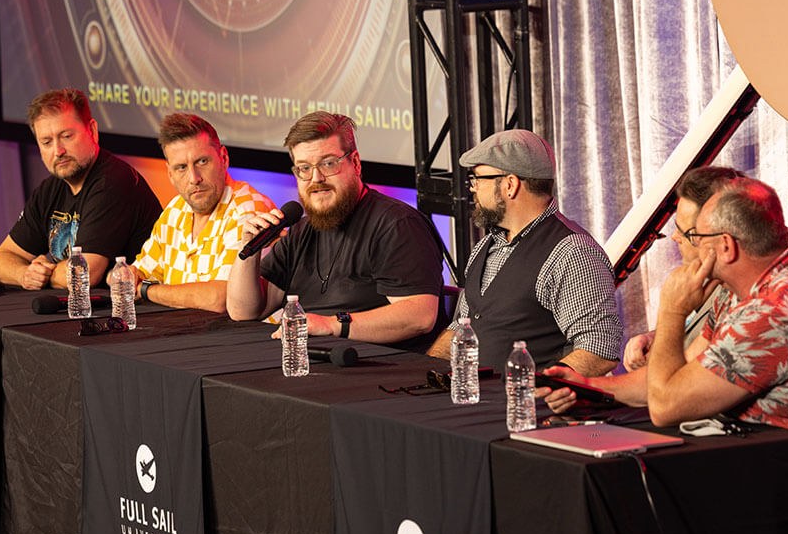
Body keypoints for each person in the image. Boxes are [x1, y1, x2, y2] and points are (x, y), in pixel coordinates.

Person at [544, 174, 788, 529]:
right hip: (767, 475)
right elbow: (681, 376)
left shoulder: (779, 309)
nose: (681, 241)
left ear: (725, 246)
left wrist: (672, 311)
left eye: (694, 235)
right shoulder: (740, 290)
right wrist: (589, 386)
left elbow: (666, 406)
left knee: (633, 510)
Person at [226, 111, 444, 352]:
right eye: (304, 168)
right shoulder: (301, 230)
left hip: (379, 370)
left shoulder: (397, 224)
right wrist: (249, 249)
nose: (316, 178)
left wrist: (331, 325)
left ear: (356, 163)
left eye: (328, 163)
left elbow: (419, 317)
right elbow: (243, 311)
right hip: (311, 361)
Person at [427, 129, 622, 375]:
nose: (473, 189)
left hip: (526, 408)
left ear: (510, 185)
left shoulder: (572, 252)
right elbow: (462, 326)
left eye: (477, 179)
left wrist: (541, 391)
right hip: (473, 402)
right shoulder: (485, 246)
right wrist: (428, 370)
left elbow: (599, 348)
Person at [0, 88, 161, 290]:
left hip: (129, 313)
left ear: (92, 131)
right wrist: (25, 274)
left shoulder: (114, 182)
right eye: (46, 142)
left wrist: (44, 274)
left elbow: (86, 274)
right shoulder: (49, 189)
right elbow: (1, 259)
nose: (58, 151)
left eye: (66, 136)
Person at [123, 114, 275, 311]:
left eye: (202, 162)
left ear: (224, 158)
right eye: (181, 168)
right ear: (170, 173)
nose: (194, 178)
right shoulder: (175, 210)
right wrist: (125, 277)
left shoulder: (249, 210)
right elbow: (138, 274)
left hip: (233, 338)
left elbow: (222, 298)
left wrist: (147, 291)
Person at [621, 167, 743, 370]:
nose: (675, 237)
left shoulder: (742, 302)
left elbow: (675, 388)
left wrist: (671, 311)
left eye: (684, 231)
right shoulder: (713, 284)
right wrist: (653, 337)